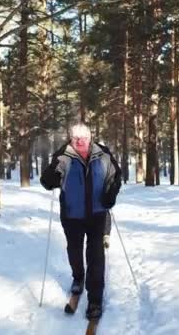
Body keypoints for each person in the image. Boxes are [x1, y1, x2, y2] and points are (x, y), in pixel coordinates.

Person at [40, 123, 122, 320]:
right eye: (76, 137)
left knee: (95, 256)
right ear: (70, 138)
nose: (80, 141)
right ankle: (78, 277)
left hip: (97, 214)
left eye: (83, 137)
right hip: (72, 214)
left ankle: (95, 299)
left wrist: (110, 194)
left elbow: (116, 176)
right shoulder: (64, 156)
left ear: (90, 137)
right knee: (74, 250)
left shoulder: (102, 154)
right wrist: (51, 176)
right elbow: (46, 181)